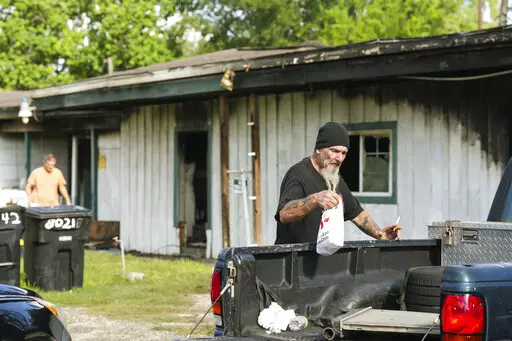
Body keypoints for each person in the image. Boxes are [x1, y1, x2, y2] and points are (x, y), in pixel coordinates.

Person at [274, 122, 402, 244]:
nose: (339, 158)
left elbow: (356, 213)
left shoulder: (333, 177)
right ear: (318, 148)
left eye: (344, 153)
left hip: (321, 260)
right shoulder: (298, 173)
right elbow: (284, 214)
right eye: (334, 151)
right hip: (293, 261)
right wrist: (314, 200)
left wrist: (381, 235)